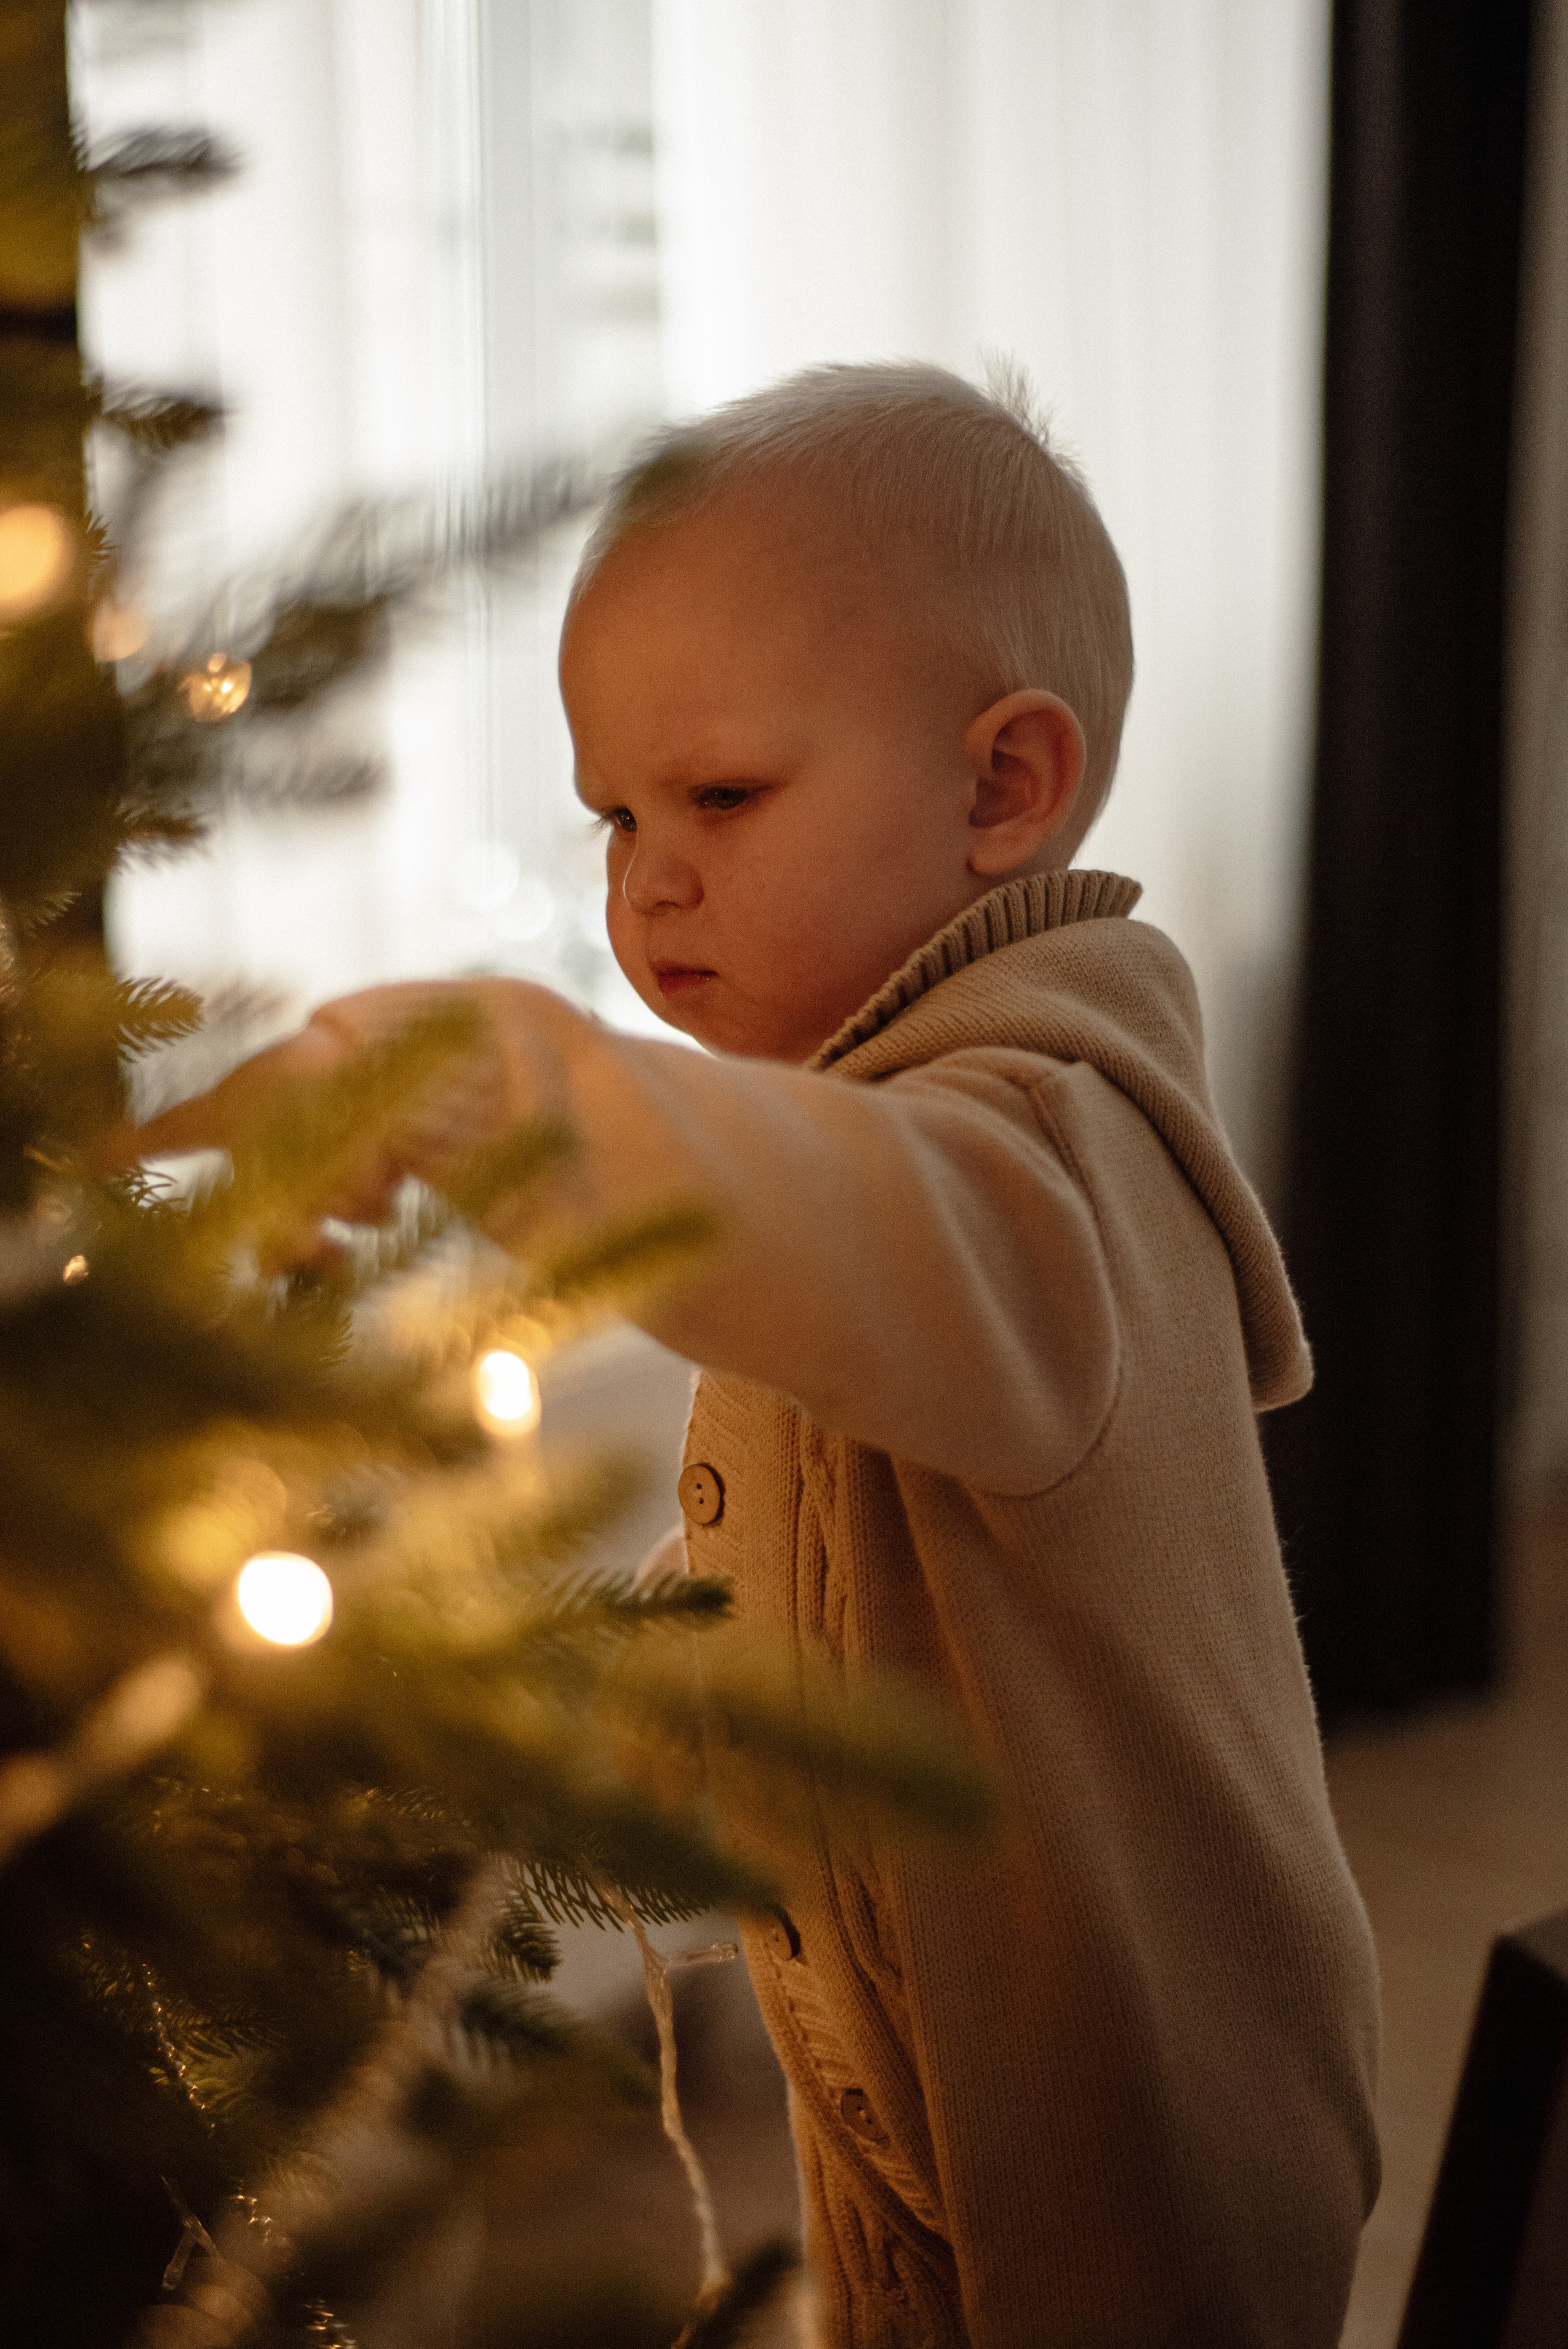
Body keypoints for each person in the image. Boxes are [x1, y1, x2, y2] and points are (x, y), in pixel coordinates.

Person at [127, 363, 1381, 2348]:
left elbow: (843, 1227)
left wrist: (471, 1077)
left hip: (1136, 2153)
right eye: (618, 812)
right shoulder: (875, 1103)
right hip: (905, 2087)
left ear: (1003, 788)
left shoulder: (1059, 1152)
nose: (645, 877)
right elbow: (804, 1598)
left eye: (720, 795)